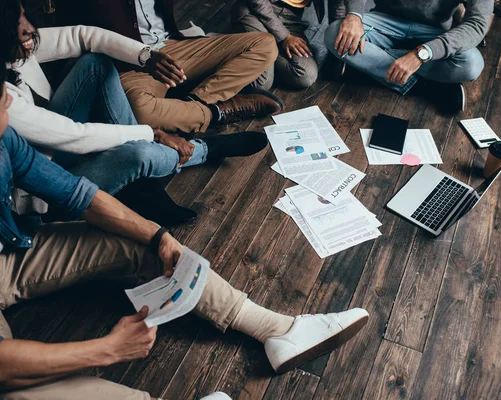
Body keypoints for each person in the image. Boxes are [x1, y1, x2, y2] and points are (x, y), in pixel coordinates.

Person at [0, 66, 369, 400]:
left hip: (10, 249)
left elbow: (76, 193)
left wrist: (157, 236)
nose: (8, 96)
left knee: (138, 239)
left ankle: (281, 331)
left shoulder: (4, 135)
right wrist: (108, 349)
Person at [2, 2, 269, 225]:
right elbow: (75, 136)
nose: (29, 27)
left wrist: (145, 56)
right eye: (18, 21)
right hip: (45, 193)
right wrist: (152, 134)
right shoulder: (5, 100)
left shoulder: (14, 46)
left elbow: (85, 35)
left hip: (54, 143)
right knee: (138, 152)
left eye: (25, 15)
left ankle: (141, 182)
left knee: (95, 63)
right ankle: (204, 150)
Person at [54, 0, 285, 134]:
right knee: (140, 112)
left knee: (264, 44)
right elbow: (83, 38)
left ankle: (195, 104)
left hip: (173, 45)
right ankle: (218, 112)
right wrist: (140, 57)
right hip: (130, 63)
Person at [324, 0, 493, 113]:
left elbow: (477, 24)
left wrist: (422, 54)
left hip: (433, 34)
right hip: (383, 22)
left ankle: (367, 68)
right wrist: (354, 16)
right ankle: (425, 87)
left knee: (471, 64)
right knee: (333, 34)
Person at [230, 0, 345, 90]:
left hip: (291, 18)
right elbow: (257, 2)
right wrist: (284, 37)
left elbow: (337, 3)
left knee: (305, 76)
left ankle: (252, 47)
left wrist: (337, 39)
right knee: (261, 84)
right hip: (254, 13)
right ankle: (222, 46)